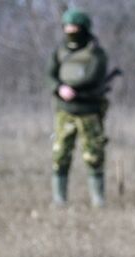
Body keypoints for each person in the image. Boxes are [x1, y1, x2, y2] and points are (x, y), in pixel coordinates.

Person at [48, 8, 111, 208]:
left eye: (74, 27)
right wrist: (60, 88)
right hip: (65, 110)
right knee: (60, 155)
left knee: (94, 155)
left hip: (89, 111)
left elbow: (94, 76)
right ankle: (59, 200)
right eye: (67, 26)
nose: (70, 30)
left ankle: (98, 200)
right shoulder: (60, 51)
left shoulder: (96, 52)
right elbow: (49, 75)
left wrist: (75, 89)